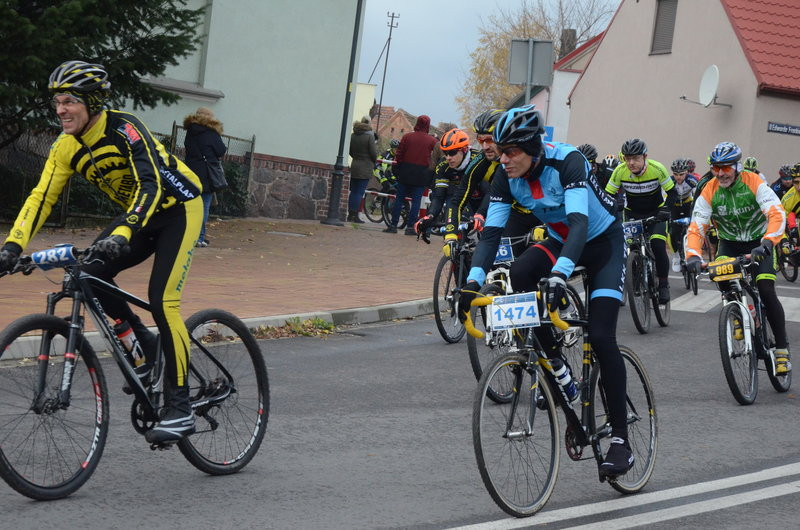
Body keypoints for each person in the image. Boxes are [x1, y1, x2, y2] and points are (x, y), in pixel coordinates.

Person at [0, 60, 204, 444]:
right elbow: (41, 197)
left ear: (92, 103)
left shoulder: (125, 129)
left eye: (69, 101)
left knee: (164, 301)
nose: (60, 109)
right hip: (137, 217)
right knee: (87, 274)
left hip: (178, 208)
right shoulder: (65, 147)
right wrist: (13, 245)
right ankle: (145, 345)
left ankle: (181, 408)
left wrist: (124, 231)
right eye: (57, 101)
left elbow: (150, 184)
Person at [457, 105, 634, 477]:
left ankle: (621, 439)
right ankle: (556, 366)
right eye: (500, 151)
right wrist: (471, 284)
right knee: (520, 275)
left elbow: (580, 222)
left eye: (511, 152)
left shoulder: (567, 161)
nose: (503, 158)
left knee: (601, 336)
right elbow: (490, 235)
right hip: (560, 239)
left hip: (602, 244)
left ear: (534, 148)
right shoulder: (506, 176)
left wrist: (560, 276)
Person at [686, 142, 790, 374]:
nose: (721, 173)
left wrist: (767, 242)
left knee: (765, 289)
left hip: (760, 243)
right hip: (730, 244)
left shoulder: (754, 182)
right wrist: (692, 255)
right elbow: (697, 226)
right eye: (716, 168)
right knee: (720, 276)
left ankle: (782, 350)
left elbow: (776, 212)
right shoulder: (710, 189)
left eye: (726, 168)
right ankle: (738, 314)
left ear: (737, 166)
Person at [433, 108, 541, 258]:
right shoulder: (480, 162)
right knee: (500, 264)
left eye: (489, 140)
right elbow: (457, 201)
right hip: (513, 215)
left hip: (541, 214)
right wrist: (450, 236)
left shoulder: (526, 156)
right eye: (480, 141)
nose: (484, 147)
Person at [605, 138, 677, 304]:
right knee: (631, 247)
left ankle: (664, 284)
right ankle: (636, 275)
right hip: (632, 214)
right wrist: (616, 202)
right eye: (627, 158)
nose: (631, 162)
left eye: (636, 158)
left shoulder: (657, 169)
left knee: (658, 245)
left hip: (656, 213)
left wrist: (666, 209)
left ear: (645, 156)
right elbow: (608, 194)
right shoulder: (619, 171)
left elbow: (672, 193)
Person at [414, 129, 477, 235]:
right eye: (445, 153)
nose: (448, 157)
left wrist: (480, 214)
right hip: (456, 195)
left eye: (452, 153)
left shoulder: (477, 160)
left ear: (465, 149)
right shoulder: (443, 165)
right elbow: (439, 196)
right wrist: (430, 216)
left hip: (479, 195)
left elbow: (490, 191)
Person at [383, 115, 438, 235]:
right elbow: (437, 156)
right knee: (416, 202)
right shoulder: (432, 141)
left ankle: (393, 225)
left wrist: (397, 170)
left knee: (399, 199)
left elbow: (399, 154)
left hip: (405, 172)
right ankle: (410, 227)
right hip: (421, 174)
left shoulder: (407, 137)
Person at [183, 107, 226, 246]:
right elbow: (221, 150)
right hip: (206, 174)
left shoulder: (190, 131)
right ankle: (199, 237)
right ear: (210, 118)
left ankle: (188, 235)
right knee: (204, 206)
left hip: (190, 171)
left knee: (190, 205)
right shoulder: (211, 133)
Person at [668, 158, 698, 271]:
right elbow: (665, 197)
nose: (679, 177)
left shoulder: (692, 180)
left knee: (693, 228)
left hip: (687, 205)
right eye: (676, 174)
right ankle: (676, 255)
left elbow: (697, 197)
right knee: (672, 231)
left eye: (681, 174)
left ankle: (693, 252)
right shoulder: (670, 181)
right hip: (674, 206)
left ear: (687, 172)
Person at [347, 117, 378, 223]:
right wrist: (374, 161)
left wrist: (356, 157)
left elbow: (350, 151)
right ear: (369, 124)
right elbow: (373, 153)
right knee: (359, 192)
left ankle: (350, 214)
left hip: (355, 164)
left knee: (353, 191)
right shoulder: (370, 136)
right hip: (365, 167)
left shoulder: (353, 135)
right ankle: (355, 215)